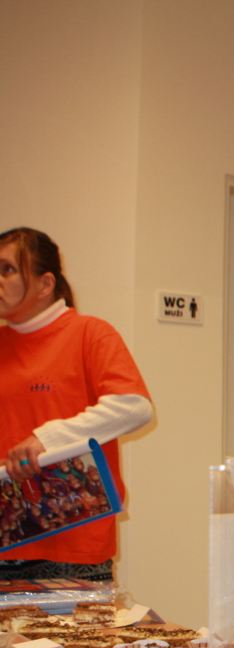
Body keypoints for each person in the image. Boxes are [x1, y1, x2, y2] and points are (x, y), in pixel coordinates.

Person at [0, 227, 153, 581]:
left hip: (75, 549)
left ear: (45, 284)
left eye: (7, 269)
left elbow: (134, 406)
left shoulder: (90, 333)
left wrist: (47, 439)